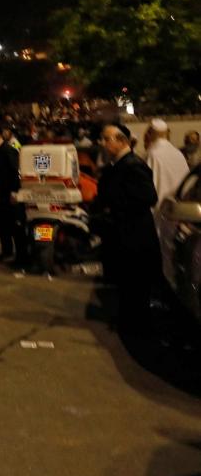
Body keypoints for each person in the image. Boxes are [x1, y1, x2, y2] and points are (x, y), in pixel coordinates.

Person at [94, 123, 160, 332]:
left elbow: (149, 197)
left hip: (134, 236)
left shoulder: (132, 165)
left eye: (107, 139)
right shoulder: (119, 165)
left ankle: (136, 325)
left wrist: (115, 208)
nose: (103, 144)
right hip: (124, 235)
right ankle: (129, 320)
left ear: (121, 141)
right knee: (127, 283)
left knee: (135, 284)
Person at [0, 127, 28, 267]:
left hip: (10, 194)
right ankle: (7, 251)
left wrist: (15, 191)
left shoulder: (7, 150)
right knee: (2, 225)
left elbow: (15, 171)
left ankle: (20, 257)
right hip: (3, 193)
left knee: (15, 226)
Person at [143, 119, 190, 208]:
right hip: (178, 207)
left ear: (149, 134)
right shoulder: (178, 153)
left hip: (159, 208)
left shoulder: (152, 154)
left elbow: (147, 186)